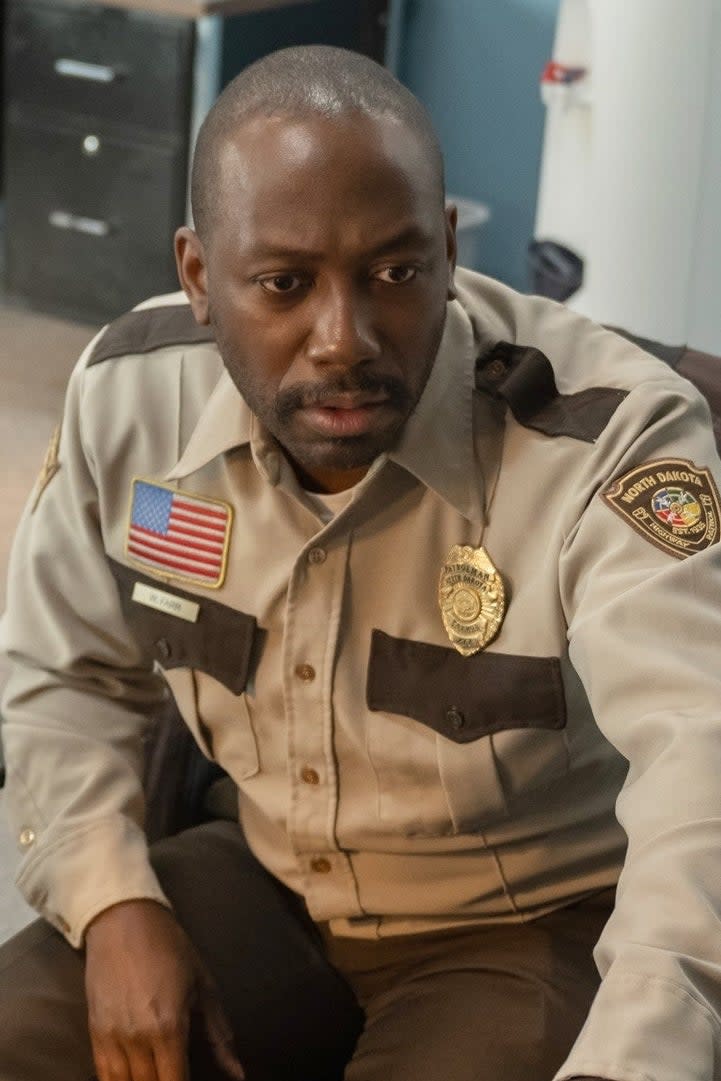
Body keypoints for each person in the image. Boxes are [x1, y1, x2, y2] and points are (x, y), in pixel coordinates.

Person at [1, 42, 721, 1081]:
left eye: (394, 271)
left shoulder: (604, 439)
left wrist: (644, 1048)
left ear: (447, 244)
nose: (342, 338)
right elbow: (61, 675)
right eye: (284, 283)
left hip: (519, 920)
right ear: (199, 276)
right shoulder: (129, 401)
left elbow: (700, 762)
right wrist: (110, 898)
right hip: (260, 875)